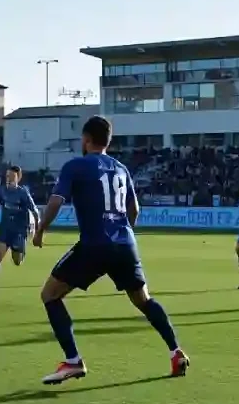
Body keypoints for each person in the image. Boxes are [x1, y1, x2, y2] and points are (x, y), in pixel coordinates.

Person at [32, 116, 189, 385]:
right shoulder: (121, 168)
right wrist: (122, 233)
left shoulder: (76, 166)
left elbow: (57, 200)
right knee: (144, 300)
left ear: (86, 139)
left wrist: (40, 229)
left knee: (50, 295)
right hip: (125, 243)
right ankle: (176, 352)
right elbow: (134, 210)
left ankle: (72, 361)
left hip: (95, 243)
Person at [0, 165, 39, 300]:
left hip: (19, 232)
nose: (9, 179)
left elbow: (35, 211)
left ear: (18, 178)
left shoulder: (23, 193)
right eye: (7, 176)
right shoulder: (1, 190)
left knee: (17, 261)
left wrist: (38, 230)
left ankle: (21, 251)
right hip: (5, 229)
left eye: (12, 176)